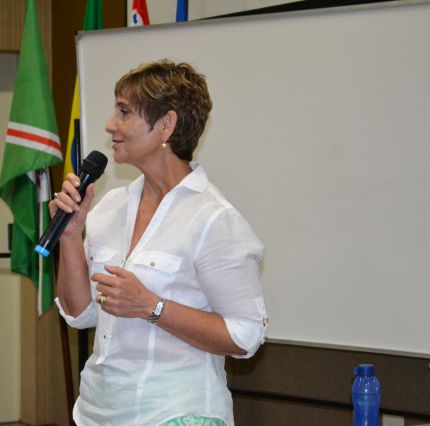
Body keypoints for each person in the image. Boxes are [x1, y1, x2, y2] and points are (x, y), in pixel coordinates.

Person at [51, 59, 268, 426]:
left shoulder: (213, 219)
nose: (110, 124)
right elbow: (79, 314)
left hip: (176, 412)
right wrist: (70, 236)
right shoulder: (111, 206)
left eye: (124, 112)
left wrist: (151, 306)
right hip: (96, 412)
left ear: (166, 124)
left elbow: (246, 335)